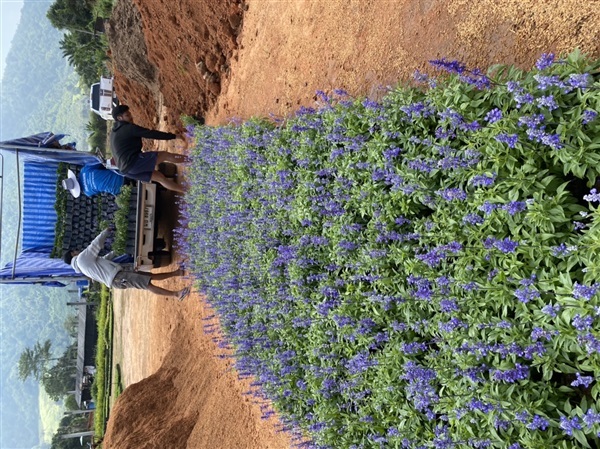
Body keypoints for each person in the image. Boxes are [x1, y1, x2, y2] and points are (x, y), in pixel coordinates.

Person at [63, 228, 190, 301]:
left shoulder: (83, 266)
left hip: (118, 275)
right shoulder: (81, 259)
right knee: (147, 284)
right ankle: (176, 294)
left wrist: (115, 251)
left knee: (149, 276)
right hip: (117, 277)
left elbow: (103, 259)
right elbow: (94, 246)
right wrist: (105, 232)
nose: (78, 250)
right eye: (75, 250)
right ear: (73, 254)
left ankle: (177, 272)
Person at [110, 104, 189, 193]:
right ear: (120, 118)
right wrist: (174, 136)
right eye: (127, 115)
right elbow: (151, 134)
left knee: (160, 178)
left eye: (130, 114)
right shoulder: (128, 128)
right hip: (132, 163)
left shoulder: (114, 133)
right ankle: (193, 160)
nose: (131, 117)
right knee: (165, 155)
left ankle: (187, 191)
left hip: (126, 171)